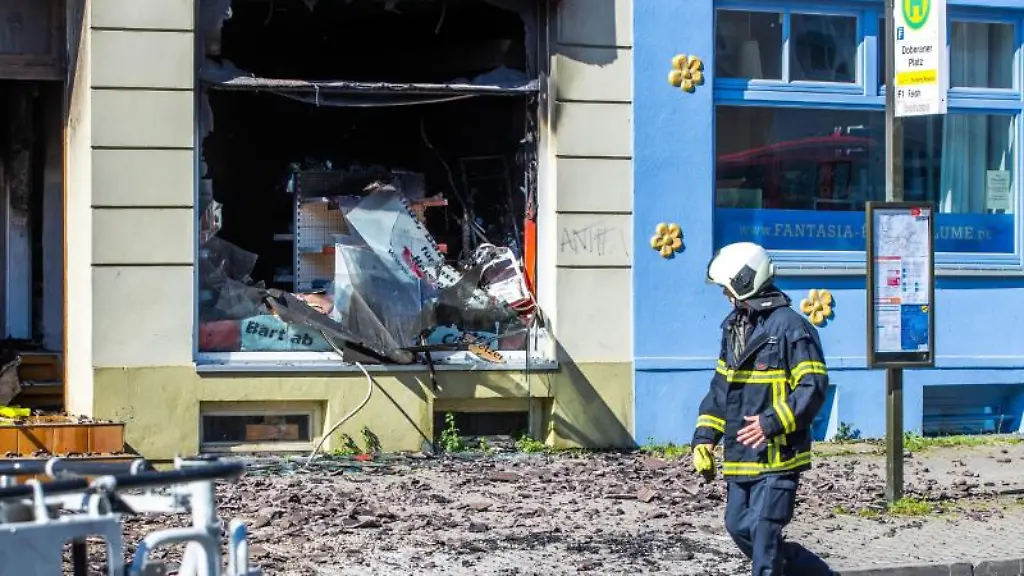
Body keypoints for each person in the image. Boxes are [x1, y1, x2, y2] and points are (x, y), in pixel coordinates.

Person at [691, 242, 834, 576]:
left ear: (745, 282)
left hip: (778, 455)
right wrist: (704, 437)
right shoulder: (734, 328)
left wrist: (771, 422)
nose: (725, 295)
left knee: (764, 541)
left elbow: (813, 387)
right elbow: (721, 389)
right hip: (742, 455)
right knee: (738, 527)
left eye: (727, 288)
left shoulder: (791, 327)